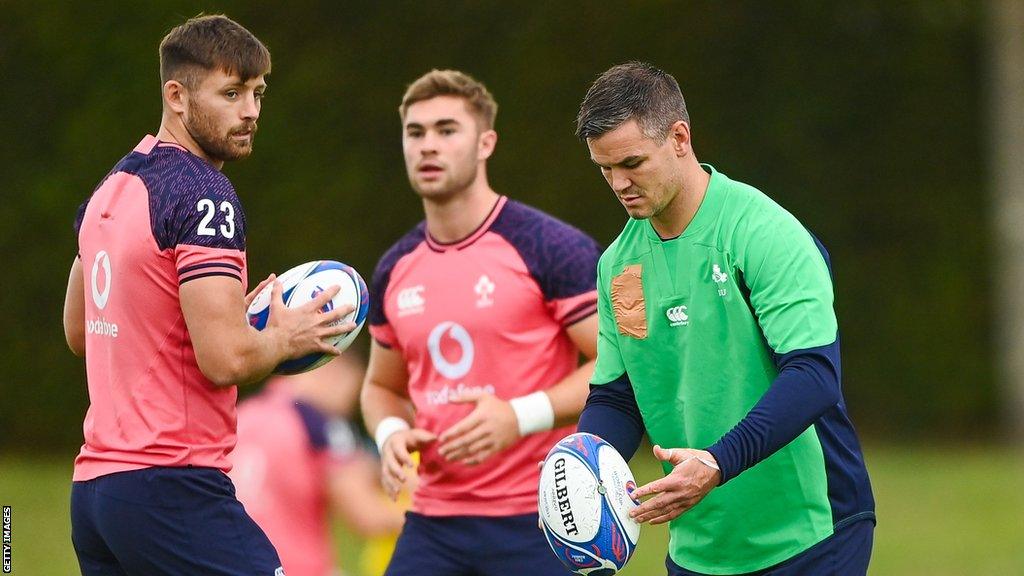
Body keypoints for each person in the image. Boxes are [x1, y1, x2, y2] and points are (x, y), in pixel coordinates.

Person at [62, 14, 355, 576]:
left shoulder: (111, 187)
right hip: (172, 488)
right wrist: (282, 334)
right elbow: (226, 361)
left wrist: (220, 318)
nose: (250, 111)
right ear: (176, 95)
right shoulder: (204, 194)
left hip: (96, 495)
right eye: (230, 93)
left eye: (257, 93)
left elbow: (82, 332)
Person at [574, 61, 876, 575]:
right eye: (605, 168)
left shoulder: (763, 233)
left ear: (679, 138)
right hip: (700, 548)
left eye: (632, 162)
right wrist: (577, 469)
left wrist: (717, 462)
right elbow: (618, 396)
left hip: (812, 535)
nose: (619, 182)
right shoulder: (619, 267)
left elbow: (814, 375)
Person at [360, 69, 601, 576]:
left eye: (447, 130)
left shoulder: (550, 248)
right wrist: (389, 436)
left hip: (540, 520)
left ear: (485, 142)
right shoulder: (394, 269)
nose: (428, 146)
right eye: (415, 132)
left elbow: (617, 368)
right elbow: (380, 386)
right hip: (433, 523)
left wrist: (519, 416)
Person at [230, 354, 405, 576]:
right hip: (293, 568)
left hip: (234, 565)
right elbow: (366, 516)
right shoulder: (319, 424)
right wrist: (436, 514)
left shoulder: (243, 415)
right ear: (335, 372)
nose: (346, 409)